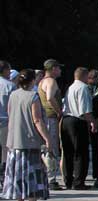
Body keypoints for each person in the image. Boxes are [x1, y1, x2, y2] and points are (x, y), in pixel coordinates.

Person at [1, 69, 51, 201]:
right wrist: (47, 138)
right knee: (32, 173)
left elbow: (10, 114)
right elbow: (37, 120)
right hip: (29, 140)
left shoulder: (13, 95)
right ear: (32, 80)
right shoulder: (33, 96)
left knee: (17, 172)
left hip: (14, 139)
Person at [61, 67, 97, 190]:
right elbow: (85, 109)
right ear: (85, 76)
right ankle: (79, 182)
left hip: (66, 120)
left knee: (68, 152)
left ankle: (68, 180)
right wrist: (92, 122)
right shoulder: (83, 88)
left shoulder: (70, 87)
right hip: (78, 121)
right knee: (80, 152)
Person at [37, 59, 63, 190]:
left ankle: (46, 176)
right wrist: (59, 112)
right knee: (51, 147)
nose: (60, 70)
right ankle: (51, 179)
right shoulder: (51, 81)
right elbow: (49, 97)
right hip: (50, 117)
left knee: (45, 148)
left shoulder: (41, 81)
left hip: (43, 117)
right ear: (53, 68)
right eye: (58, 68)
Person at [0, 60, 16, 179]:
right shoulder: (10, 85)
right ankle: (3, 177)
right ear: (4, 70)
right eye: (9, 70)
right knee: (5, 151)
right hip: (6, 121)